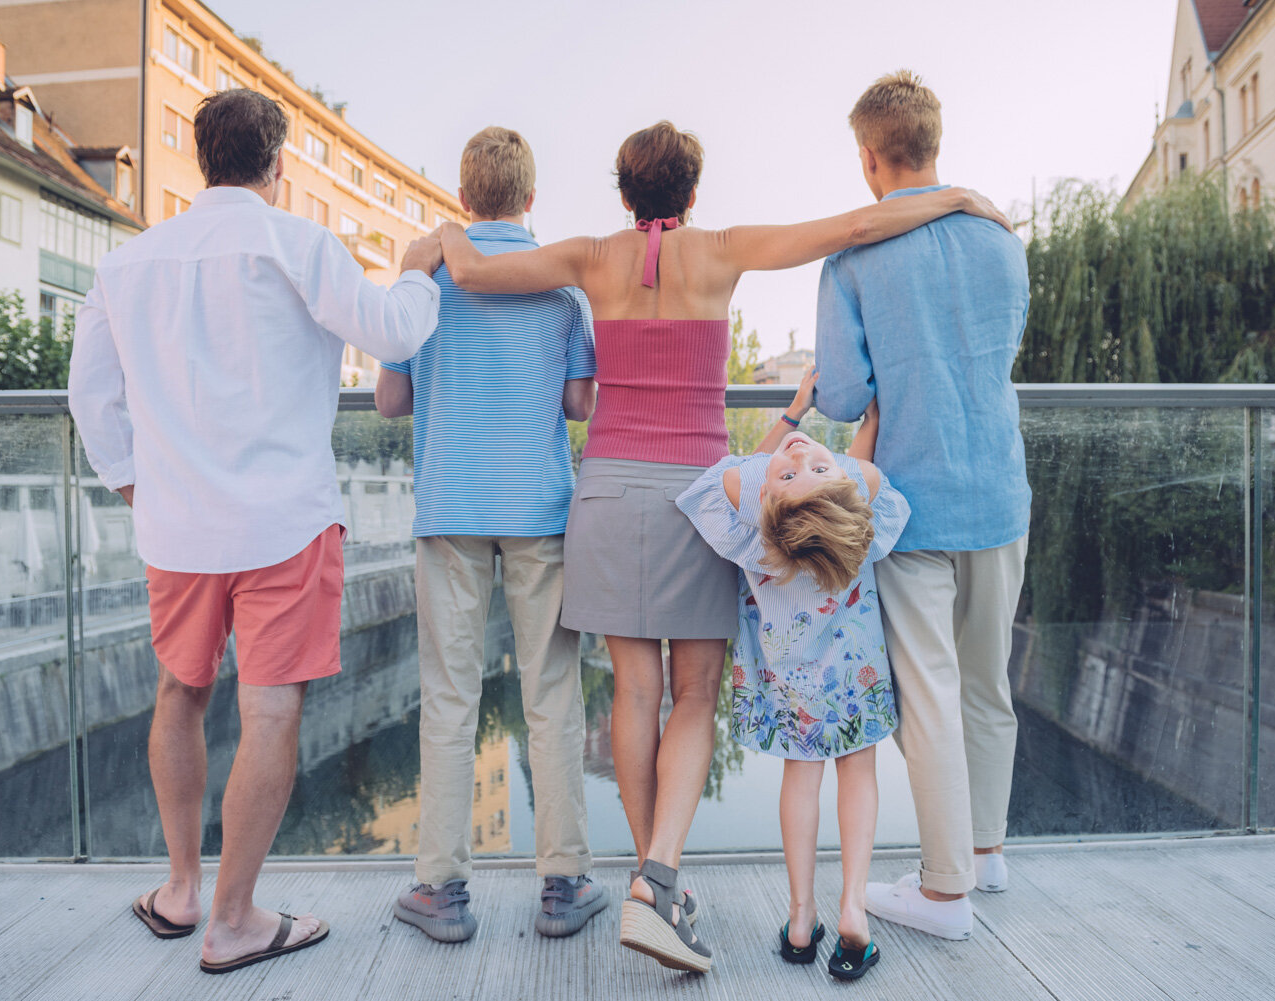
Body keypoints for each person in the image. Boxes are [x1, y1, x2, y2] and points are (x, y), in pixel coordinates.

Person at [437, 121, 1010, 973]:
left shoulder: (592, 254)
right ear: (693, 192)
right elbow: (854, 228)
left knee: (634, 692)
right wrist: (955, 197)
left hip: (604, 494)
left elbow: (476, 268)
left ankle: (653, 881)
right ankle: (657, 879)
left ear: (624, 193)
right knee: (695, 693)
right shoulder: (722, 249)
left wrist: (439, 234)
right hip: (695, 504)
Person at [68, 88, 444, 974]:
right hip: (286, 523)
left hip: (178, 527)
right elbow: (394, 328)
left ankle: (181, 889)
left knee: (179, 693)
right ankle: (235, 919)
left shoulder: (128, 265)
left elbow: (91, 397)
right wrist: (421, 267)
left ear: (204, 161)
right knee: (270, 707)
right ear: (278, 167)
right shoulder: (301, 244)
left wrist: (138, 485)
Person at [814, 70, 1032, 941]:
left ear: (870, 158)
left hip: (912, 502)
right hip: (1000, 488)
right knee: (987, 682)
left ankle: (944, 893)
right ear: (934, 145)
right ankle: (986, 852)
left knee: (929, 693)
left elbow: (840, 389)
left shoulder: (855, 256)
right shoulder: (1003, 241)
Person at [374, 126, 606, 943]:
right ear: (530, 200)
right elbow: (580, 406)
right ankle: (564, 883)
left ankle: (439, 889)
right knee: (550, 695)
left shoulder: (428, 280)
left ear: (464, 198)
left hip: (449, 510)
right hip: (540, 511)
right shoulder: (562, 290)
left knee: (449, 697)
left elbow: (390, 403)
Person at [676, 370, 906, 982]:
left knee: (799, 780)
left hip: (791, 690)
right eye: (796, 471)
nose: (801, 461)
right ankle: (852, 909)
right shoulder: (858, 523)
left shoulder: (754, 533)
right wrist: (870, 426)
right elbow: (856, 479)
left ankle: (801, 920)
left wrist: (793, 419)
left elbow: (739, 475)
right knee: (859, 772)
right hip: (856, 685)